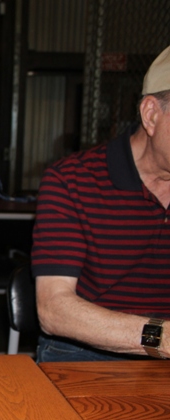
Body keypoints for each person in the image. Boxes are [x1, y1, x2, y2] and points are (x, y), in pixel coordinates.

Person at [32, 45, 170, 362]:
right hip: (88, 353)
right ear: (151, 114)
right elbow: (53, 309)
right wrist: (160, 338)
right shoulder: (72, 180)